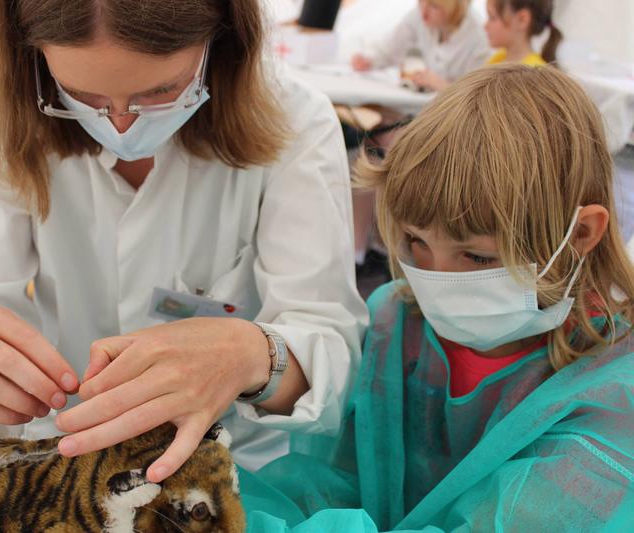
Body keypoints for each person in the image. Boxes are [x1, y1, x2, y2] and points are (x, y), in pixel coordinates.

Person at [0, 0, 368, 484]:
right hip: (64, 448)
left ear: (221, 39)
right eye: (82, 94)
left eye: (160, 91)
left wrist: (253, 356)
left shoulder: (296, 123)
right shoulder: (4, 120)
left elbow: (332, 349)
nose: (120, 125)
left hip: (238, 464)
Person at [242, 64, 634, 531]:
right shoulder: (396, 319)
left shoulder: (614, 390)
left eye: (477, 256)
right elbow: (334, 479)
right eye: (415, 242)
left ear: (581, 233)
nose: (436, 280)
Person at [351, 0, 491, 92]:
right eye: (421, 1)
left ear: (456, 8)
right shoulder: (418, 16)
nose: (423, 12)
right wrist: (369, 60)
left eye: (434, 6)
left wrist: (443, 86)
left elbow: (475, 96)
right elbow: (388, 49)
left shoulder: (480, 37)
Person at [485, 0, 562, 66]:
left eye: (492, 17)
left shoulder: (535, 72)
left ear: (522, 19)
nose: (485, 26)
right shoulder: (497, 58)